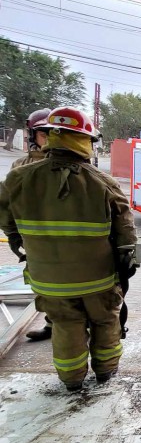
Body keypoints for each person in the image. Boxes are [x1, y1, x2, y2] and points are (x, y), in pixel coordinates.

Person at [0, 106, 139, 391]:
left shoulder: (18, 178)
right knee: (105, 323)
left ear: (51, 137)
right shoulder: (102, 182)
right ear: (83, 141)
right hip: (98, 280)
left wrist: (19, 244)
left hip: (49, 281)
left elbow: (7, 221)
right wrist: (129, 266)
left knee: (65, 326)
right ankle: (105, 373)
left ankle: (71, 381)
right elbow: (127, 235)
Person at [11, 109, 54, 340]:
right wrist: (13, 234)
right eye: (43, 133)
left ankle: (75, 328)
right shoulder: (20, 166)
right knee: (43, 285)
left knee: (70, 288)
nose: (48, 138)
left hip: (63, 242)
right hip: (35, 240)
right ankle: (51, 325)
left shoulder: (69, 164)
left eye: (53, 133)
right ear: (33, 134)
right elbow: (8, 203)